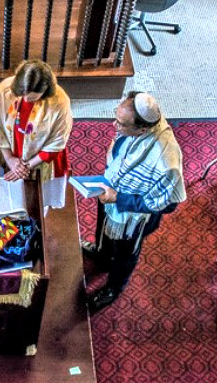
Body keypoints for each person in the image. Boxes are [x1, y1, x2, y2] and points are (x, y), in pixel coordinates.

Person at [82, 91, 186, 311]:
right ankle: (101, 256)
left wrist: (118, 198)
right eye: (116, 117)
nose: (114, 125)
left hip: (132, 217)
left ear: (142, 129)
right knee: (104, 231)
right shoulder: (137, 128)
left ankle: (113, 287)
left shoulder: (166, 159)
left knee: (125, 253)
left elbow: (167, 203)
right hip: (111, 190)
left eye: (121, 124)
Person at [0, 60, 73, 182]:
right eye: (22, 94)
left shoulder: (60, 102)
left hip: (41, 158)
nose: (26, 100)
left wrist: (25, 167)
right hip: (8, 151)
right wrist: (9, 158)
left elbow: (57, 139)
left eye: (33, 98)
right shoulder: (4, 90)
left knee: (39, 198)